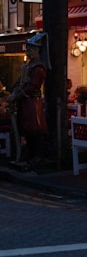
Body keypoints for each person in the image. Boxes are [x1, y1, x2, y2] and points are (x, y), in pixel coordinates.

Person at [7, 32, 51, 167]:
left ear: (37, 50)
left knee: (35, 129)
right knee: (26, 129)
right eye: (28, 49)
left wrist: (16, 95)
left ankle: (38, 156)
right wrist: (13, 92)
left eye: (31, 49)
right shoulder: (28, 66)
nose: (29, 51)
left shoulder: (39, 68)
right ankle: (30, 154)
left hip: (32, 102)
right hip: (24, 102)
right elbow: (20, 82)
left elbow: (32, 86)